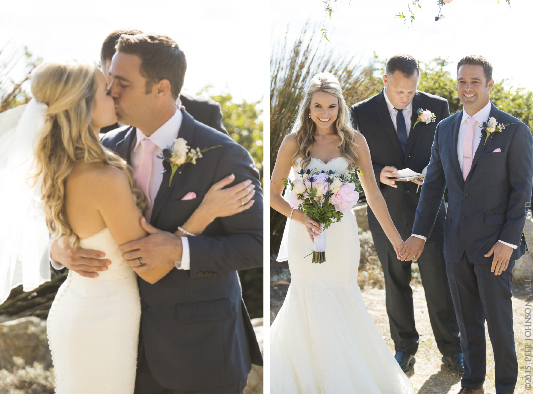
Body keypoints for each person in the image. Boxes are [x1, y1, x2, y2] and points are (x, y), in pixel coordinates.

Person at [50, 33, 263, 393]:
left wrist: (182, 251)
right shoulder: (105, 148)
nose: (111, 90)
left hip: (201, 351)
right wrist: (57, 249)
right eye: (110, 80)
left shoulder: (221, 154)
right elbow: (62, 213)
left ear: (161, 88)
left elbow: (257, 243)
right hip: (120, 343)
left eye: (123, 83)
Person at [270, 72, 413, 393]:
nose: (324, 112)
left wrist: (396, 240)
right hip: (303, 233)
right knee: (307, 294)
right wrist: (300, 215)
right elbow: (273, 193)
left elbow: (373, 195)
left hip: (341, 236)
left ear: (340, 108)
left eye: (331, 106)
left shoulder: (354, 142)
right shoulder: (294, 142)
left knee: (342, 294)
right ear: (308, 107)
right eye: (318, 105)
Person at [400, 55, 533, 394]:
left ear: (490, 84)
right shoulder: (445, 129)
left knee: (500, 323)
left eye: (475, 81)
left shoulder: (515, 130)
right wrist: (418, 233)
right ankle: (472, 383)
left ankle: (505, 385)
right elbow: (433, 186)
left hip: (494, 245)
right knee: (466, 321)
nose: (467, 87)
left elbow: (521, 191)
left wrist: (507, 239)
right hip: (455, 243)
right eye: (462, 81)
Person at [350, 54, 462, 373]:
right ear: (385, 80)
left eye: (411, 91)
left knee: (438, 280)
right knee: (395, 281)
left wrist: (433, 170)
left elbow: (449, 151)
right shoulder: (361, 112)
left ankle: (452, 349)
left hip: (430, 211)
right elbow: (353, 159)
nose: (405, 97)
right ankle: (404, 348)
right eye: (399, 91)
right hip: (386, 208)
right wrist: (376, 172)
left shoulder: (437, 106)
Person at [99, 28, 228, 135]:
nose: (113, 90)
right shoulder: (93, 121)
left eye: (123, 82)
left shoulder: (204, 113)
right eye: (112, 76)